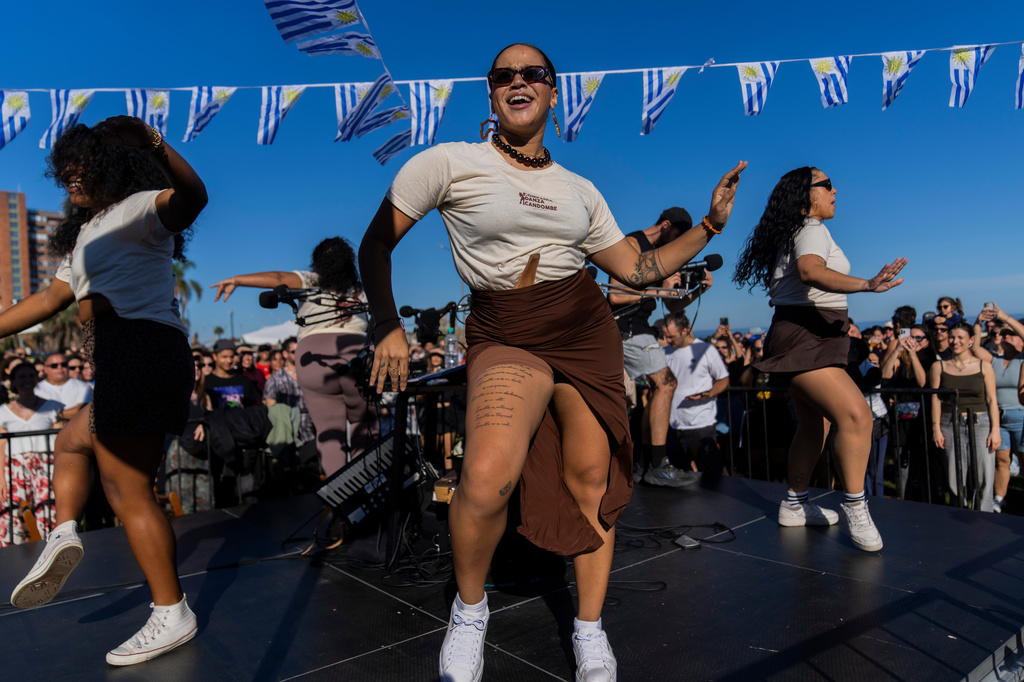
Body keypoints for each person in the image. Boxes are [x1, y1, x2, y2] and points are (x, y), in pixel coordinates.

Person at [359, 42, 745, 682]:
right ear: (490, 94)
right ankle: (470, 610)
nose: (518, 81)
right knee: (485, 479)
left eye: (532, 73)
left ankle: (590, 630)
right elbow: (375, 242)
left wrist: (709, 225)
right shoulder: (449, 163)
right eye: (503, 75)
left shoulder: (580, 191)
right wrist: (386, 325)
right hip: (506, 330)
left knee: (591, 477)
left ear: (553, 91)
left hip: (585, 329)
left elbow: (638, 268)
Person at [2, 116, 206, 665]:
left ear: (113, 164)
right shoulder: (86, 238)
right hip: (124, 359)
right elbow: (46, 303)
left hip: (140, 350)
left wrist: (158, 145)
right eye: (64, 168)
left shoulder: (141, 210)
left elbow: (193, 196)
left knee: (128, 491)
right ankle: (63, 532)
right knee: (70, 440)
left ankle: (171, 610)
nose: (69, 174)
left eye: (82, 164)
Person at [733, 166, 906, 552]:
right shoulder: (810, 229)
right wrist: (867, 284)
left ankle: (794, 504)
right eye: (827, 185)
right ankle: (855, 506)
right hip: (804, 337)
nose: (835, 190)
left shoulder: (802, 230)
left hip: (811, 334)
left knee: (818, 425)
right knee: (858, 415)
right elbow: (810, 272)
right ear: (807, 194)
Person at [210, 237, 376, 476]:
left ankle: (343, 500)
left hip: (313, 357)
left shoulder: (310, 280)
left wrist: (237, 280)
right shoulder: (360, 287)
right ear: (349, 261)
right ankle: (369, 488)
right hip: (357, 354)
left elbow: (277, 278)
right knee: (365, 424)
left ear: (318, 262)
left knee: (329, 432)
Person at [605, 207, 708, 486]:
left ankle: (644, 464)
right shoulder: (632, 244)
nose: (677, 244)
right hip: (624, 326)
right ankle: (657, 465)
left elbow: (672, 305)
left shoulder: (661, 256)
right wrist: (655, 288)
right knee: (666, 383)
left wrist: (697, 290)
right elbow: (615, 295)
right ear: (666, 225)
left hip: (638, 327)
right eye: (678, 236)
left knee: (657, 390)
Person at [929, 321, 1000, 510]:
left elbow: (992, 400)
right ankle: (958, 512)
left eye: (960, 337)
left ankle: (984, 514)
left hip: (981, 422)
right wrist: (936, 427)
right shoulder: (939, 366)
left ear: (971, 340)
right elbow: (935, 399)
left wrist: (995, 430)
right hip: (950, 422)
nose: (955, 341)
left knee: (984, 473)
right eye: (952, 337)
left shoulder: (984, 366)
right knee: (954, 473)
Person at [0, 362, 63, 546]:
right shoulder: (3, 411)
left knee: (47, 509)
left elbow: (60, 441)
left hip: (45, 464)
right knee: (12, 510)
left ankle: (49, 550)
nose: (26, 381)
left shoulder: (52, 406)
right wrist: (1, 478)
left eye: (30, 376)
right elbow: (1, 445)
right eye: (21, 377)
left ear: (36, 379)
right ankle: (13, 557)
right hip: (15, 466)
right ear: (13, 381)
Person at [663, 311, 729, 476]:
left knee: (714, 473)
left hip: (700, 425)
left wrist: (709, 393)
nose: (668, 340)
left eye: (671, 336)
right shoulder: (665, 352)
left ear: (685, 331)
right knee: (683, 476)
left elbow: (723, 379)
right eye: (665, 336)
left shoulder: (705, 350)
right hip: (673, 426)